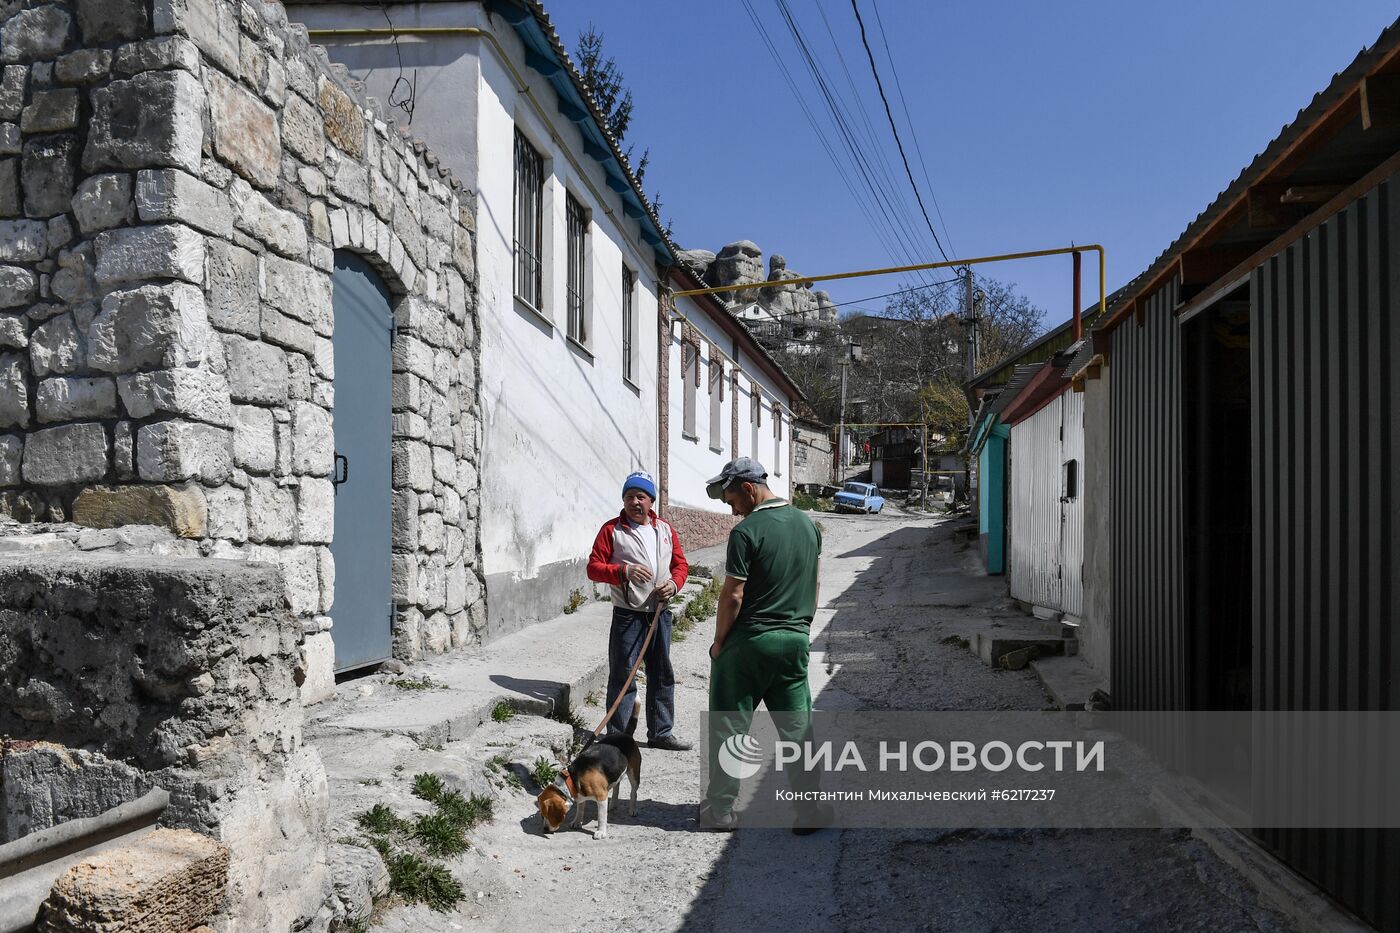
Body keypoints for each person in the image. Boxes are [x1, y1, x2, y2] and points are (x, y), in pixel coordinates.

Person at [698, 457, 824, 833]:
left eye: (732, 499)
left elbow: (733, 595)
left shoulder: (746, 532)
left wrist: (719, 643)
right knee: (798, 728)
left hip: (749, 643)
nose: (732, 509)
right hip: (794, 641)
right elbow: (815, 584)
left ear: (749, 489)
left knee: (730, 726)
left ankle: (721, 810)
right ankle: (810, 810)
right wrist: (800, 629)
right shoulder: (808, 525)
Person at [586, 471, 693, 751]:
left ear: (651, 501)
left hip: (659, 614)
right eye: (629, 496)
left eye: (641, 496)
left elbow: (681, 565)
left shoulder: (665, 530)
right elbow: (593, 568)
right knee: (623, 675)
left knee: (662, 673)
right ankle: (617, 738)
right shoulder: (612, 530)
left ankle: (661, 733)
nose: (635, 502)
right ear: (623, 500)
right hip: (628, 615)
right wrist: (624, 571)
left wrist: (674, 584)